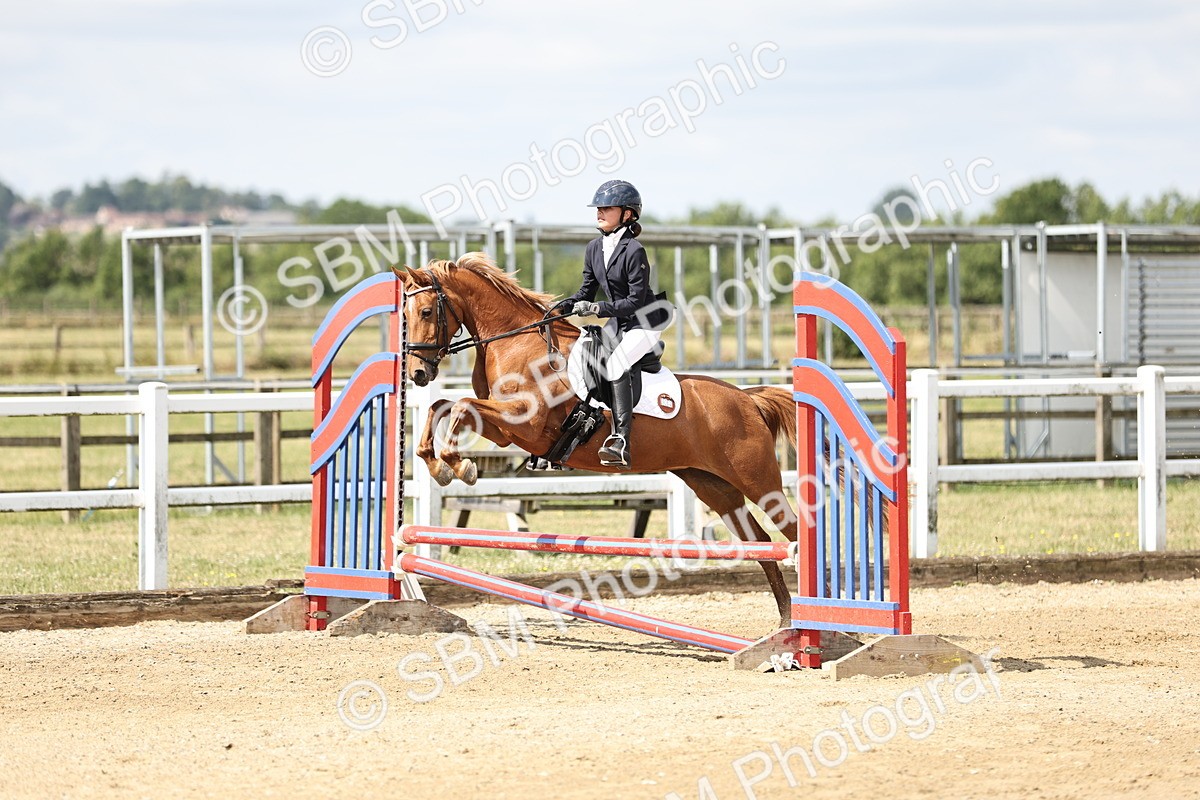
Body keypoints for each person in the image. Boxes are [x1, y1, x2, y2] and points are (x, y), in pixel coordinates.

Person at [558, 180, 670, 469]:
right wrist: (560, 307)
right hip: (618, 323)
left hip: (644, 321)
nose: (600, 211)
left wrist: (597, 308)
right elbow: (585, 292)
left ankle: (621, 441)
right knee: (582, 357)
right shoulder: (594, 248)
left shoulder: (634, 251)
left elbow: (634, 300)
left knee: (617, 364)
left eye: (607, 207)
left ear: (627, 214)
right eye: (599, 207)